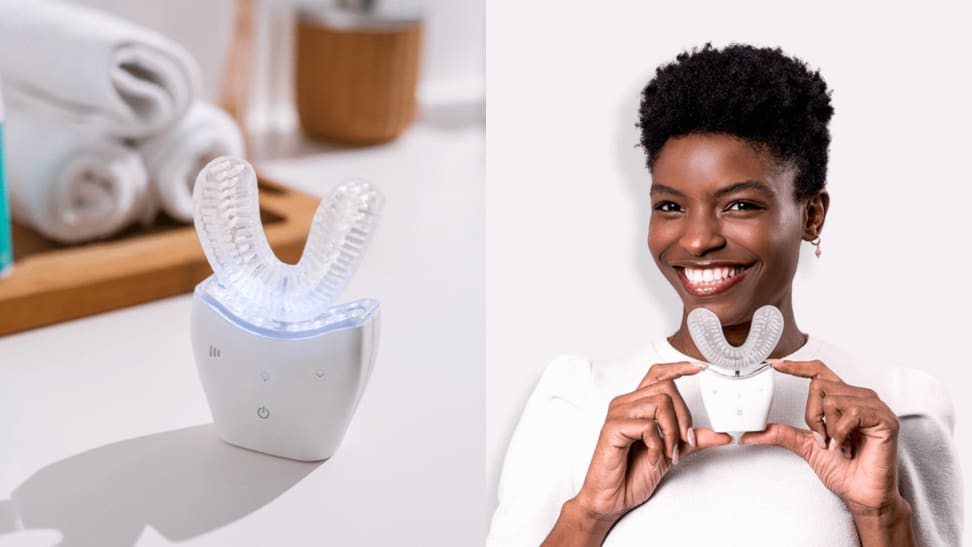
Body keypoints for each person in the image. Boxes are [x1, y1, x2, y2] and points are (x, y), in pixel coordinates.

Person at [487, 44, 962, 547]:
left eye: (739, 205)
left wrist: (881, 515)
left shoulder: (901, 408)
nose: (696, 240)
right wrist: (589, 514)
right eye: (670, 206)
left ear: (812, 214)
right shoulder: (576, 400)